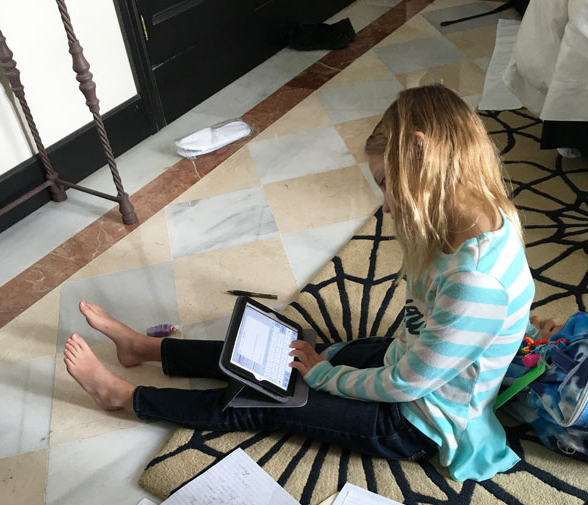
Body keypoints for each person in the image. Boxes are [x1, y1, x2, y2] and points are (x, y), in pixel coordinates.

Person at [65, 85, 545, 482]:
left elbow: (403, 384)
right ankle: (143, 349)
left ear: (422, 154)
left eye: (385, 182)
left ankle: (124, 398)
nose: (386, 205)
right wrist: (326, 369)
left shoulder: (473, 282)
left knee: (265, 400)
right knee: (282, 356)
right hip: (414, 361)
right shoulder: (484, 214)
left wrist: (323, 377)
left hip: (415, 421)